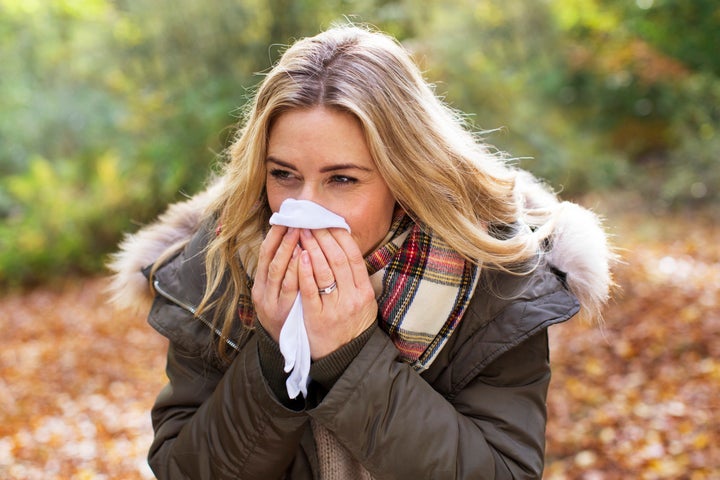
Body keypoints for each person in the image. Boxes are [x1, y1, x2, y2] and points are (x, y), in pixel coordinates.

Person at [108, 23, 614, 480]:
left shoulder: (496, 281)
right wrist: (273, 352)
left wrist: (349, 356)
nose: (304, 208)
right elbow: (184, 471)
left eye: (342, 179)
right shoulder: (217, 269)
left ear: (404, 176)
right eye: (283, 174)